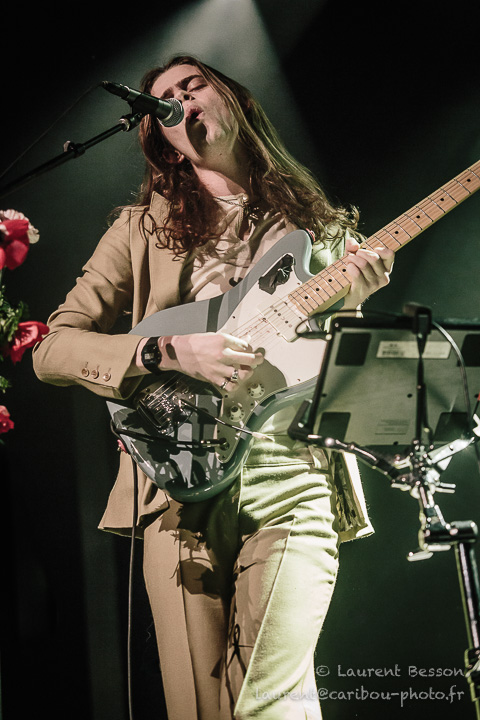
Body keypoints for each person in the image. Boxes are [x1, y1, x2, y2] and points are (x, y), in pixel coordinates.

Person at [33, 55, 394, 719]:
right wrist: (166, 350)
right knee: (200, 709)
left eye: (192, 85)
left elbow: (352, 380)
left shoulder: (323, 232)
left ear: (234, 99)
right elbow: (53, 348)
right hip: (178, 485)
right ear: (164, 139)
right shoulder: (139, 229)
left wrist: (352, 308)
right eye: (165, 97)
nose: (180, 99)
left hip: (293, 475)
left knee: (269, 700)